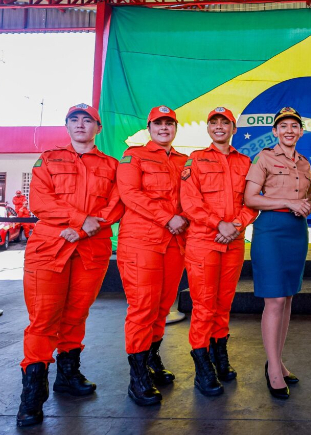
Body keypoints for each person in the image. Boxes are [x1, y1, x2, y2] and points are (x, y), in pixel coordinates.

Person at [17, 103, 124, 427]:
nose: (80, 124)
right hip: (50, 248)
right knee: (43, 319)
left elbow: (116, 204)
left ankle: (67, 375)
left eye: (87, 120)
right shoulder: (48, 159)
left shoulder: (112, 165)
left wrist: (83, 229)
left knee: (77, 314)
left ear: (98, 128)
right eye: (74, 120)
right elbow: (40, 201)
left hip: (91, 249)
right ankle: (32, 394)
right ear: (67, 126)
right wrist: (80, 220)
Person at [181, 107, 258, 396]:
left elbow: (252, 201)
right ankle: (202, 367)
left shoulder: (245, 162)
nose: (219, 126)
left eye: (225, 122)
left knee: (223, 304)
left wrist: (236, 225)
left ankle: (218, 356)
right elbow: (190, 202)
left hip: (233, 241)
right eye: (213, 122)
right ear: (208, 128)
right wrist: (219, 224)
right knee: (203, 306)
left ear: (233, 129)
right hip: (204, 241)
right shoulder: (196, 159)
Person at [116, 105, 189, 406]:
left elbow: (193, 197)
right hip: (141, 242)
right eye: (158, 123)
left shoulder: (184, 161)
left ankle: (151, 360)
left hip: (174, 243)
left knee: (162, 307)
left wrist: (184, 218)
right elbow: (130, 194)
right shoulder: (134, 156)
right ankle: (137, 377)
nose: (164, 128)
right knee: (142, 308)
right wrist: (167, 217)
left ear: (175, 128)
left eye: (169, 123)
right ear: (149, 128)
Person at [244, 107, 311, 399]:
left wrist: (306, 205)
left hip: (296, 231)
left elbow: (307, 197)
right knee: (274, 300)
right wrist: (288, 201)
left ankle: (278, 360)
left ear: (301, 132)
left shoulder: (305, 163)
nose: (289, 130)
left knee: (287, 299)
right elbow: (250, 198)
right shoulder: (264, 158)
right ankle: (272, 368)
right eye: (283, 126)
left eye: (294, 126)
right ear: (275, 131)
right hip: (271, 231)